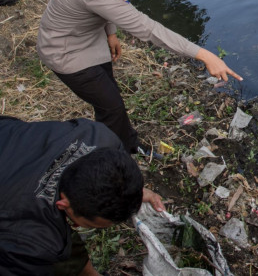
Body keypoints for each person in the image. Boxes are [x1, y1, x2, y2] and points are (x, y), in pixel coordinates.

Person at [37, 0, 243, 156]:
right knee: (111, 107)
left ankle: (129, 144)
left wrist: (110, 32)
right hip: (65, 52)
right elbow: (148, 29)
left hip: (88, 39)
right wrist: (204, 55)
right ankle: (114, 156)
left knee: (111, 99)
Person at [0, 117, 165, 275]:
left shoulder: (97, 136)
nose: (77, 227)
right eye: (85, 224)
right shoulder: (27, 239)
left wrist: (133, 192)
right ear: (63, 204)